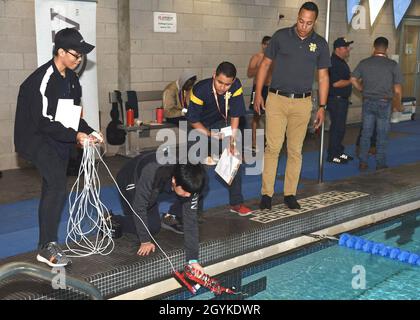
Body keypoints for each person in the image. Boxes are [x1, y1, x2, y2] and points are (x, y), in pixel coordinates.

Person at [14, 28, 101, 267]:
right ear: (61, 51)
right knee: (57, 186)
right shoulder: (40, 81)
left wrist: (90, 130)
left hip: (57, 136)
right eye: (75, 54)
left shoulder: (72, 79)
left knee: (53, 186)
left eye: (82, 55)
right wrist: (77, 136)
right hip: (35, 137)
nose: (79, 59)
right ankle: (46, 246)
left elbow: (72, 116)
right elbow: (42, 122)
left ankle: (46, 240)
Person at [253, 2, 330, 210]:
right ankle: (267, 194)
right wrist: (258, 94)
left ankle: (290, 194)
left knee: (295, 150)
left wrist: (322, 106)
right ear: (297, 17)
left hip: (303, 103)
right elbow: (265, 65)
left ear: (315, 22)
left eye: (308, 23)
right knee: (273, 148)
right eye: (301, 21)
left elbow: (323, 77)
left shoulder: (320, 44)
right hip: (276, 99)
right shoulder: (280, 36)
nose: (303, 26)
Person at [116, 151, 206, 272]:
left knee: (153, 225)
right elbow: (139, 208)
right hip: (130, 177)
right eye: (185, 192)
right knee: (148, 226)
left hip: (158, 181)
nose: (187, 196)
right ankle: (114, 220)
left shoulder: (193, 182)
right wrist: (145, 241)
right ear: (174, 180)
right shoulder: (152, 172)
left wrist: (193, 260)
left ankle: (166, 217)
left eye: (190, 193)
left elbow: (191, 222)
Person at [186, 61, 252, 216]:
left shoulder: (236, 87)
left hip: (220, 123)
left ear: (233, 81)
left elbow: (236, 115)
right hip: (199, 126)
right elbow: (193, 120)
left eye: (227, 84)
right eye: (219, 82)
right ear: (214, 76)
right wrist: (209, 134)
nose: (222, 87)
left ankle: (236, 203)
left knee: (233, 159)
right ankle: (195, 210)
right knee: (194, 166)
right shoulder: (200, 89)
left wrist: (232, 141)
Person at [350, 36, 403, 170]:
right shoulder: (392, 65)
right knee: (382, 134)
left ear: (373, 48)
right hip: (385, 103)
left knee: (366, 133)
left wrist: (362, 88)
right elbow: (397, 89)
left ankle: (363, 161)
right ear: (387, 49)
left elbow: (353, 79)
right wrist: (398, 104)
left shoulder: (364, 63)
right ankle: (380, 163)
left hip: (368, 101)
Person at [326, 37, 354, 164]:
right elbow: (336, 83)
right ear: (338, 49)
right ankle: (332, 155)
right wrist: (351, 81)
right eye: (345, 47)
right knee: (337, 128)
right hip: (336, 100)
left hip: (341, 100)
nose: (348, 49)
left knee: (341, 128)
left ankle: (339, 151)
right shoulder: (333, 62)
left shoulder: (341, 62)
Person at [247, 35, 272, 154]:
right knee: (256, 115)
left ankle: (268, 141)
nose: (267, 46)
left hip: (270, 89)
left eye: (270, 44)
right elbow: (249, 73)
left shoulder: (274, 58)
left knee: (271, 116)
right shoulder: (257, 57)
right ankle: (253, 142)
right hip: (258, 89)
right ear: (262, 45)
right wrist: (261, 67)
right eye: (266, 44)